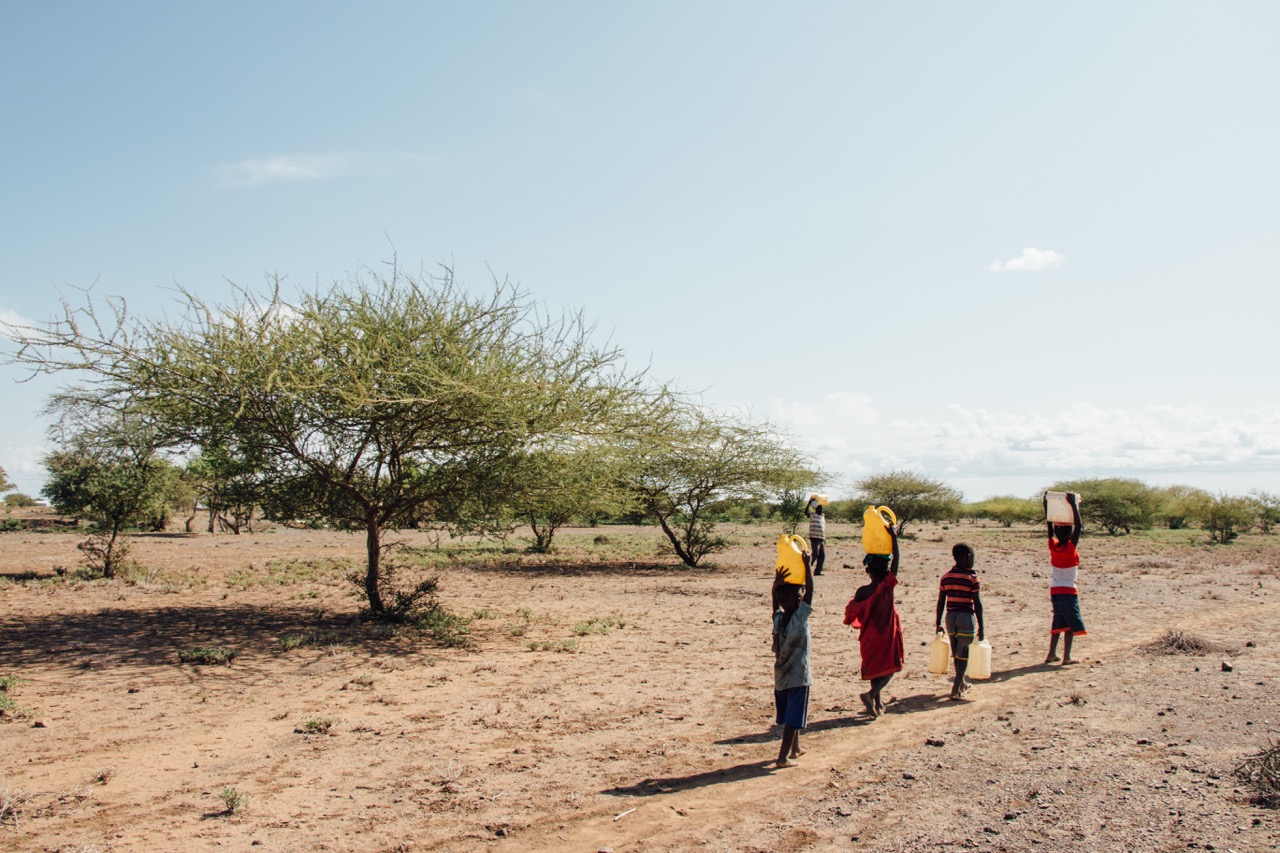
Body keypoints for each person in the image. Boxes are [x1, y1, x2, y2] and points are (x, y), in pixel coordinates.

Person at [842, 524, 903, 718]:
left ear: (868, 570)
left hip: (868, 636)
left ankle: (877, 703)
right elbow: (897, 561)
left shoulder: (862, 591)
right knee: (890, 668)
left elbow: (850, 613)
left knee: (875, 668)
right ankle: (871, 694)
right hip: (885, 635)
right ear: (886, 570)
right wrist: (894, 537)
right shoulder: (887, 585)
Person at [771, 552, 813, 768]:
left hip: (781, 677)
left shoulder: (778, 619)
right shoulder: (800, 616)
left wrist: (775, 585)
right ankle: (782, 757)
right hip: (798, 676)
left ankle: (795, 749)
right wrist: (807, 566)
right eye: (801, 592)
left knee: (791, 713)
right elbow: (811, 592)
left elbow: (775, 605)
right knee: (793, 717)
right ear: (799, 599)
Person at [935, 543, 984, 700]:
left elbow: (940, 601)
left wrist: (938, 622)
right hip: (965, 617)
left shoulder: (946, 577)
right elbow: (977, 603)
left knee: (957, 652)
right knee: (964, 653)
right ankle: (956, 687)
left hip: (950, 617)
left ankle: (961, 682)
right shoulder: (972, 578)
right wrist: (982, 626)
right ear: (968, 557)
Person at [1044, 492, 1086, 664]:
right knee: (1069, 624)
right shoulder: (1070, 549)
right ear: (1069, 535)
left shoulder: (1053, 546)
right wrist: (1073, 506)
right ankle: (1066, 657)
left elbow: (1048, 524)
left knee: (1058, 621)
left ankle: (1051, 654)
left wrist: (1046, 504)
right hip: (1068, 590)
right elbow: (1079, 526)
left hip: (1055, 590)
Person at [805, 497, 826, 576]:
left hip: (821, 538)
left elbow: (823, 528)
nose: (820, 509)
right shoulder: (813, 515)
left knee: (822, 555)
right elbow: (806, 512)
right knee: (815, 554)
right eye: (818, 508)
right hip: (814, 537)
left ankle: (817, 571)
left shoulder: (822, 516)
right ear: (816, 509)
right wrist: (808, 504)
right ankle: (806, 568)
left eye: (821, 508)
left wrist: (824, 538)